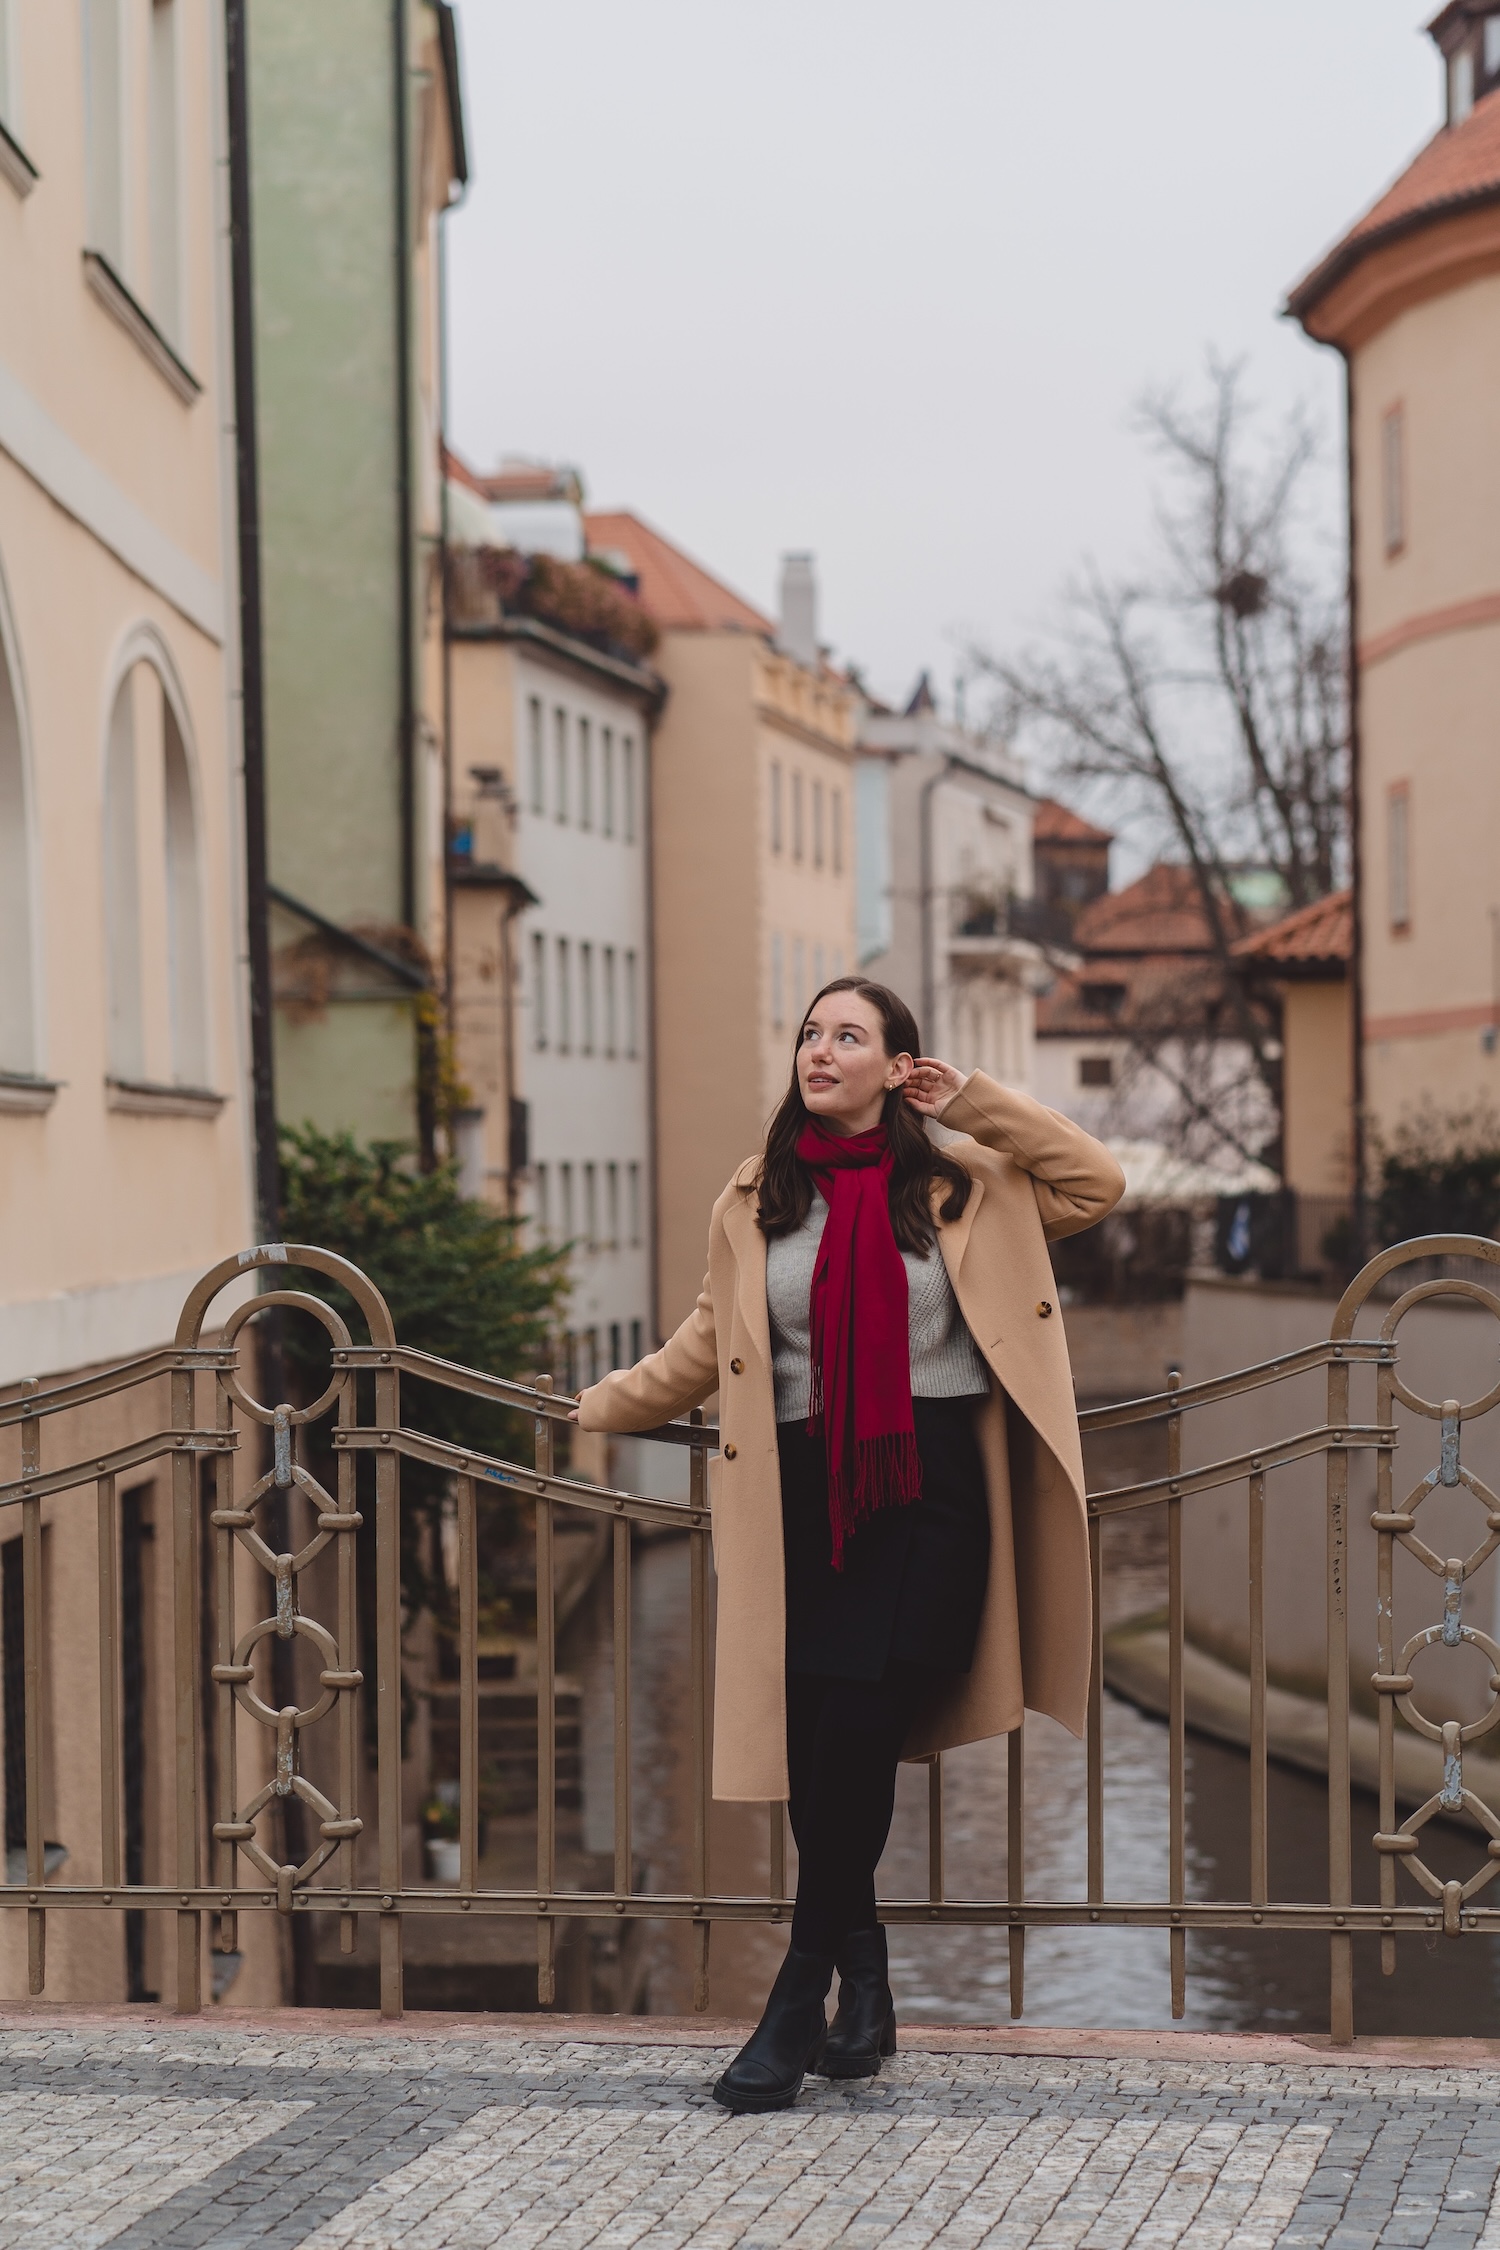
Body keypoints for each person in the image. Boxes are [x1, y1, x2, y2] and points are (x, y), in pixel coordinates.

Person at [574, 977, 1123, 2111]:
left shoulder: (970, 1183)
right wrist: (587, 1409)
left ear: (897, 1066)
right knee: (826, 1759)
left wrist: (973, 1102)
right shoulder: (758, 1197)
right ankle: (865, 1993)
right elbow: (703, 1345)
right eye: (810, 1034)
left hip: (931, 1498)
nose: (820, 1051)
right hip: (804, 1499)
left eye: (849, 1036)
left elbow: (1096, 1181)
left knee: (857, 1733)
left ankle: (796, 1999)